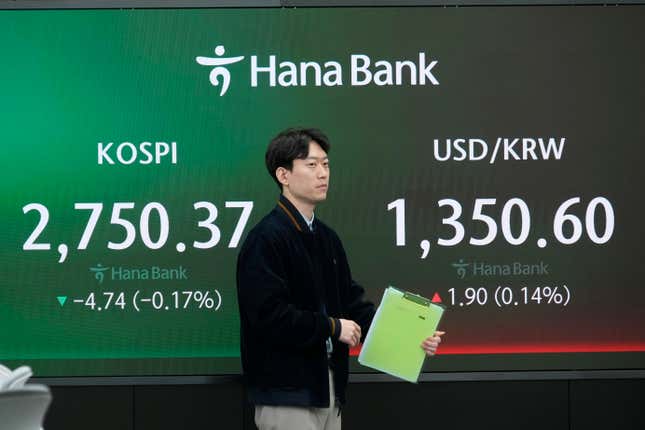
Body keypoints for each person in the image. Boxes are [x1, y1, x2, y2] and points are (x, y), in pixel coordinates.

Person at [236, 127, 444, 430]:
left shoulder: (327, 238)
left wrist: (413, 336)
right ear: (283, 175)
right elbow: (268, 316)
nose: (322, 173)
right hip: (287, 395)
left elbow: (352, 304)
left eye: (326, 164)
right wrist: (333, 327)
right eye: (311, 165)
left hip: (330, 390)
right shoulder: (265, 239)